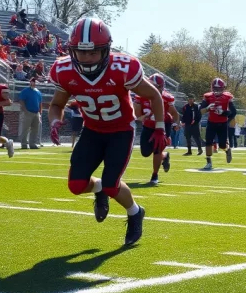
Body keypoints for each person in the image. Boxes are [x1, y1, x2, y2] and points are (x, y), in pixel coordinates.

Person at [48, 18, 166, 246]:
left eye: (93, 52)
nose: (86, 58)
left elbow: (154, 96)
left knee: (113, 184)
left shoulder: (122, 68)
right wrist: (54, 121)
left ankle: (134, 212)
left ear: (106, 50)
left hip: (120, 130)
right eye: (81, 53)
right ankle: (99, 188)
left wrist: (160, 127)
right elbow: (56, 105)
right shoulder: (63, 70)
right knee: (76, 185)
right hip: (92, 130)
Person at [132, 73, 178, 185]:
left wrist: (175, 124)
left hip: (163, 125)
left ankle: (154, 175)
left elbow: (175, 114)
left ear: (162, 87)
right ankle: (165, 155)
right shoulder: (141, 97)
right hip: (148, 125)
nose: (154, 89)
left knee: (157, 149)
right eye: (151, 85)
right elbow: (137, 116)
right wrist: (145, 117)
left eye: (157, 86)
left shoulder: (167, 98)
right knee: (145, 152)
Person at [199, 78, 236, 170]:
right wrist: (207, 108)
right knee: (208, 142)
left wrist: (223, 113)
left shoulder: (227, 97)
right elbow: (200, 111)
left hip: (222, 124)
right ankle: (208, 162)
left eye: (219, 89)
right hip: (211, 123)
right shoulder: (208, 97)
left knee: (222, 145)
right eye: (215, 88)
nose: (217, 91)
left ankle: (227, 150)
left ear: (223, 88)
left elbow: (233, 112)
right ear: (212, 88)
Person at [18, 78, 43, 150]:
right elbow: (22, 101)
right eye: (33, 82)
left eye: (35, 82)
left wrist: (40, 112)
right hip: (28, 112)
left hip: (36, 113)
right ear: (30, 82)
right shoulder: (25, 91)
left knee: (35, 129)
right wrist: (25, 110)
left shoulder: (38, 92)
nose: (34, 83)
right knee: (25, 129)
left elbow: (40, 102)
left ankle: (32, 144)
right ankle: (24, 144)